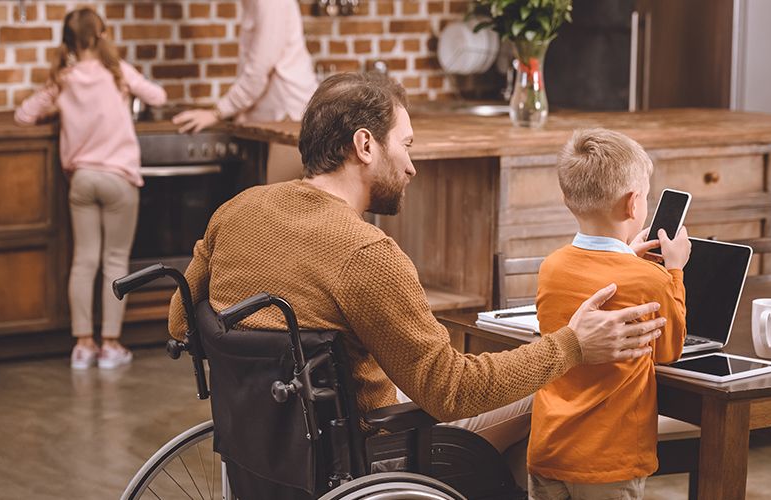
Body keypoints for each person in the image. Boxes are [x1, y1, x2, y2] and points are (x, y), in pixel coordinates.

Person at [167, 73, 666, 455]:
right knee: (548, 394)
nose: (411, 166)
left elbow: (181, 318)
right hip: (373, 452)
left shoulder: (237, 209)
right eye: (404, 145)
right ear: (365, 146)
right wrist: (571, 346)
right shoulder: (365, 253)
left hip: (266, 449)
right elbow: (450, 390)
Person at [527, 129, 691, 500]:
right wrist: (675, 270)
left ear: (568, 199)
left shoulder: (551, 267)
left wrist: (626, 258)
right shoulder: (652, 278)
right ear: (634, 205)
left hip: (549, 449)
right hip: (608, 462)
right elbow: (670, 349)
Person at [15, 8, 167, 369]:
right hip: (118, 179)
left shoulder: (63, 79)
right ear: (102, 36)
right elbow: (158, 97)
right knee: (115, 260)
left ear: (67, 42)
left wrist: (55, 108)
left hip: (82, 180)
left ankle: (82, 345)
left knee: (84, 260)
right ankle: (111, 345)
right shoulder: (118, 74)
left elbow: (23, 114)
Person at [172, 0, 317, 184]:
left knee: (279, 208)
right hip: (274, 121)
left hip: (287, 120)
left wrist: (218, 112)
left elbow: (258, 72)